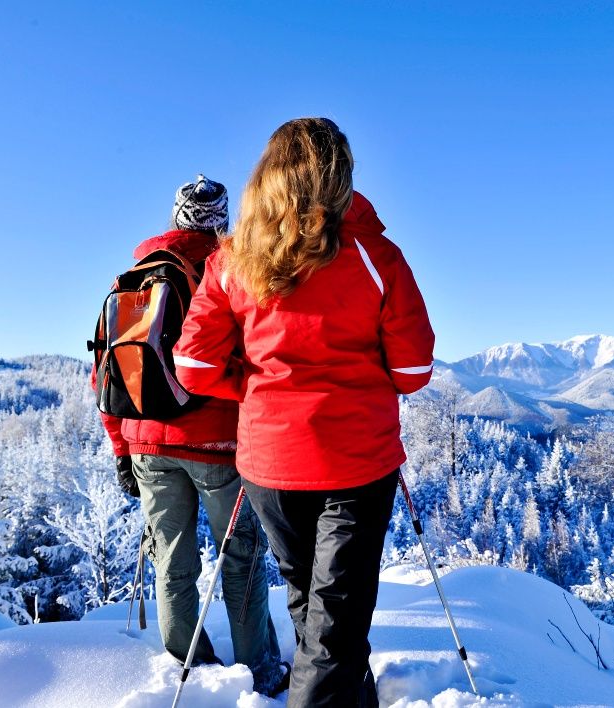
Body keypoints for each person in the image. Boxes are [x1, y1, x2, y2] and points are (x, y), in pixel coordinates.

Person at [172, 118, 435, 707]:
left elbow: (192, 365)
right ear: (341, 176)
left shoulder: (234, 259)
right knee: (335, 620)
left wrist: (252, 384)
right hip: (356, 462)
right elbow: (414, 371)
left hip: (269, 464)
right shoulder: (376, 256)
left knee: (311, 604)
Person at [96, 176, 285, 695]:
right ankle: (259, 670)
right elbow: (255, 355)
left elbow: (105, 376)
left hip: (146, 444)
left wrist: (121, 448)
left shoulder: (133, 279)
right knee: (241, 555)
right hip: (216, 442)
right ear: (222, 220)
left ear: (175, 216)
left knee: (171, 557)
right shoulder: (232, 270)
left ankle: (189, 665)